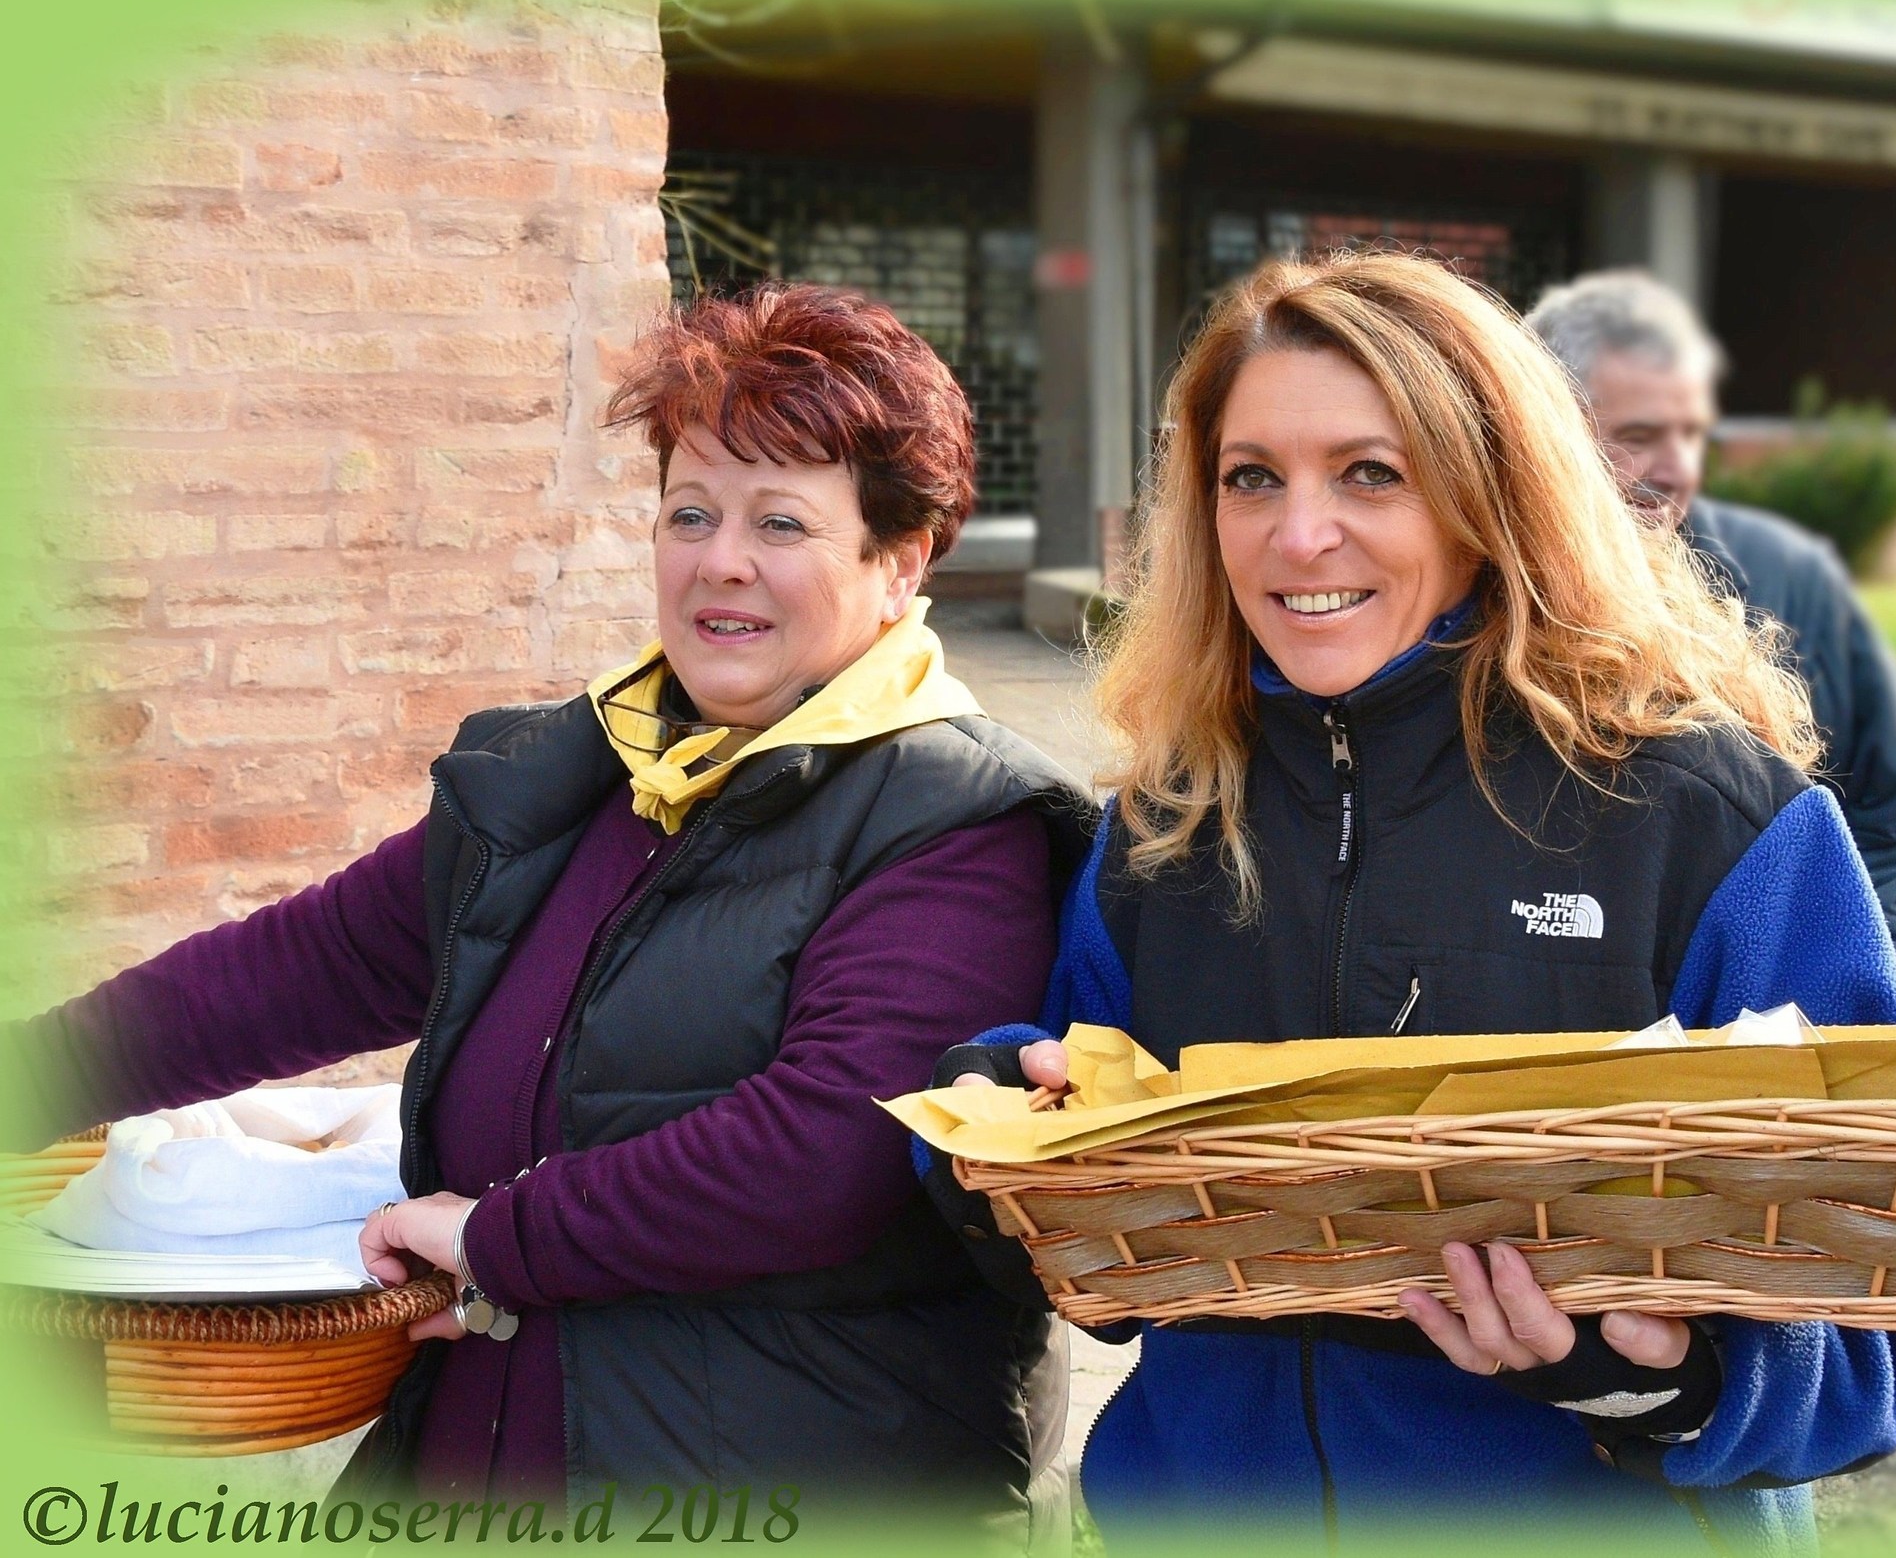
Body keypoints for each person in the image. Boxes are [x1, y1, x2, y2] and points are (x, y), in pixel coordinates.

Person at [6, 284, 1093, 1531]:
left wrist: (497, 1240)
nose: (719, 560)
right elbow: (295, 967)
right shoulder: (567, 778)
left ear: (898, 564)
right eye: (691, 511)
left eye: (781, 520)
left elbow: (827, 1153)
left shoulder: (959, 819)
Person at [928, 253, 1896, 1550]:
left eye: (1369, 474)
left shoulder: (1712, 820)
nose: (1298, 536)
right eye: (1251, 479)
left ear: (1491, 492)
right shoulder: (1170, 820)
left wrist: (1652, 1378)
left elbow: (1882, 1342)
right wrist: (1003, 1125)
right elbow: (1115, 1273)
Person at [1526, 270, 1896, 982]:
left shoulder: (1794, 579)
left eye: (1692, 435)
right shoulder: (1471, 596)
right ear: (1543, 434)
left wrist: (1847, 995)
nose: (1679, 470)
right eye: (1638, 437)